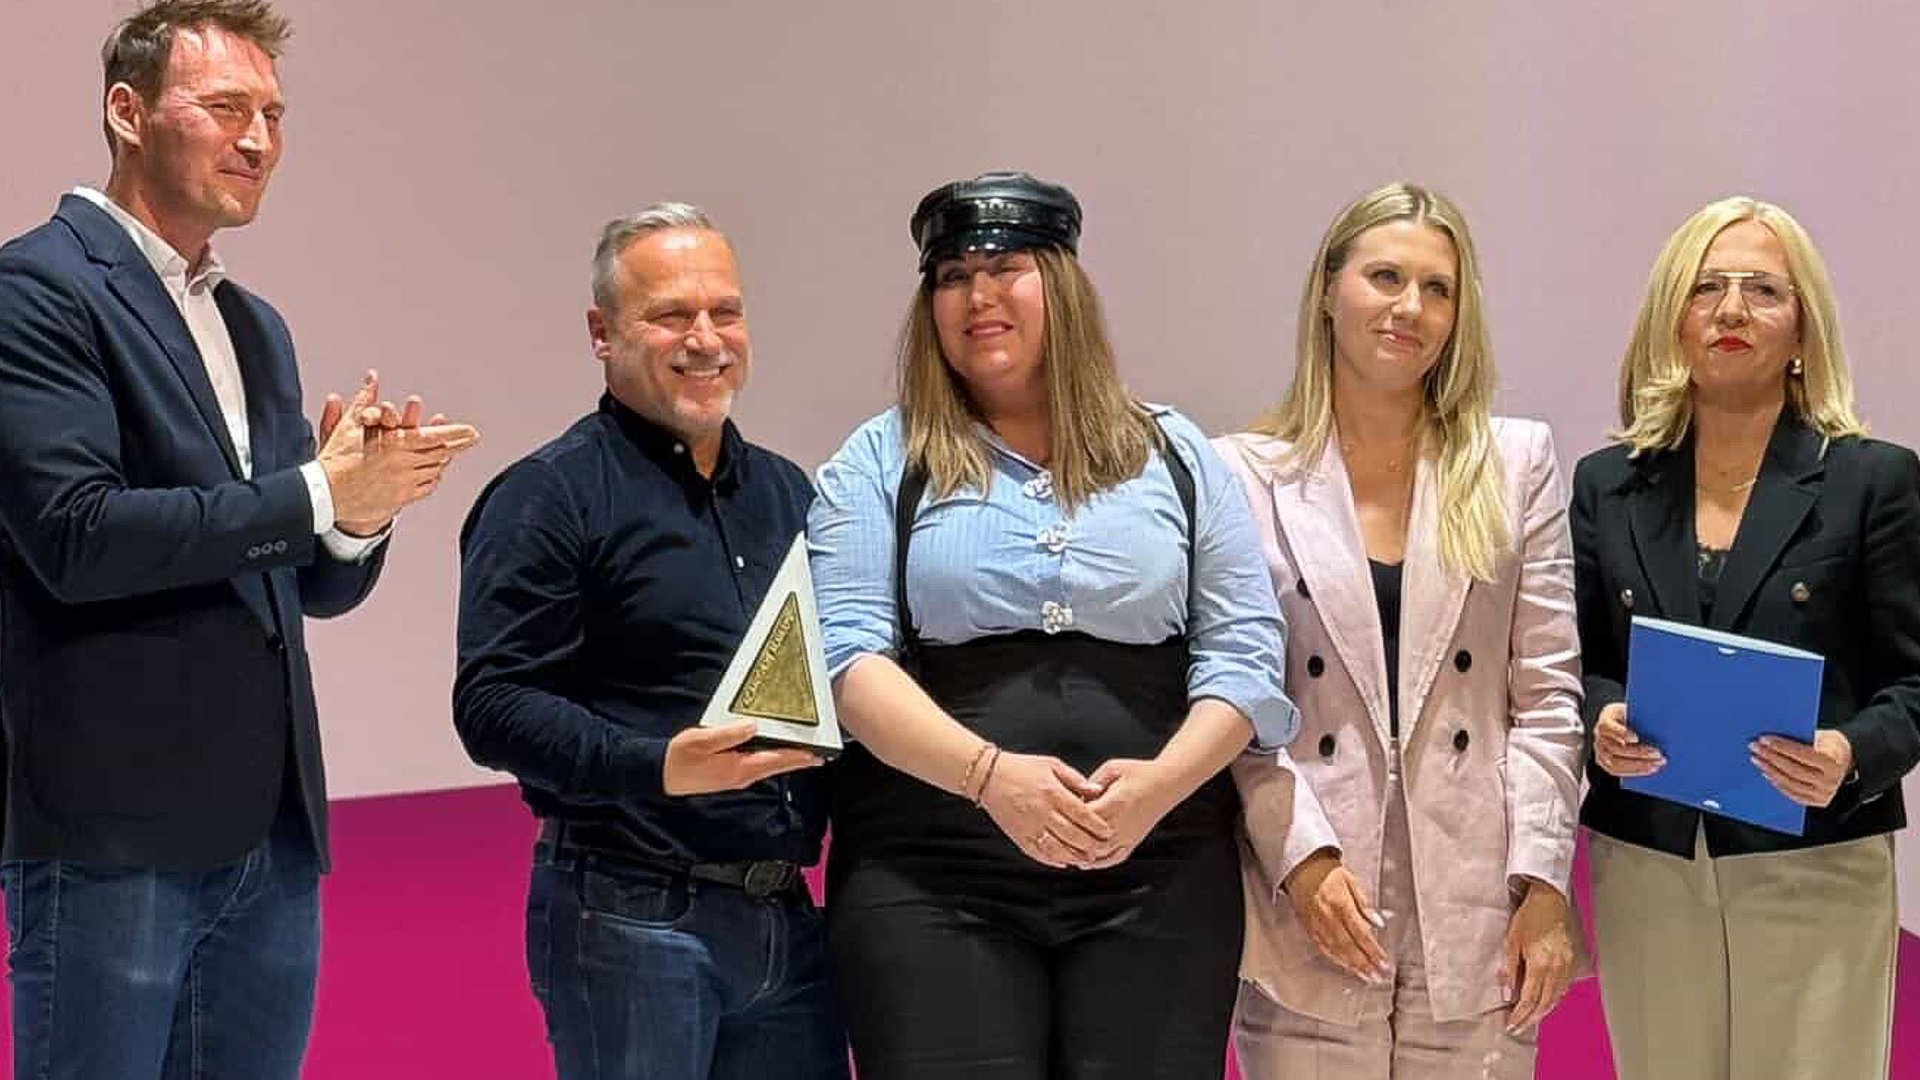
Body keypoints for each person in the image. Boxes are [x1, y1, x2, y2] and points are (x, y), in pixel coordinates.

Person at [0, 2, 477, 1076]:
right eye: (224, 107)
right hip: (114, 835)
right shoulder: (34, 289)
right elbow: (76, 537)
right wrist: (314, 492)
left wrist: (358, 516)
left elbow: (293, 586)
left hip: (272, 832)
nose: (258, 139)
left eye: (272, 112)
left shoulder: (255, 325)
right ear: (127, 112)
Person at [807, 171, 1296, 1079]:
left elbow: (1244, 658)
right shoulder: (879, 459)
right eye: (952, 274)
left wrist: (1156, 790)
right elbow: (848, 661)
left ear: (1063, 288)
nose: (979, 294)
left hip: (1159, 872)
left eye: (1006, 266)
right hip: (931, 878)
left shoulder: (1177, 453)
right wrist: (992, 779)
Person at [454, 203, 846, 1080]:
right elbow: (491, 706)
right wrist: (659, 763)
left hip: (785, 913)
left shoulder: (789, 493)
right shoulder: (547, 496)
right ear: (602, 332)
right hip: (628, 917)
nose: (706, 339)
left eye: (726, 312)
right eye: (672, 315)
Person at [1217, 182, 1585, 1079]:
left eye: (1438, 288)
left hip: (1478, 889)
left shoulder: (1513, 462)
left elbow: (1547, 692)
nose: (1409, 308)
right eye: (1386, 277)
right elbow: (1235, 700)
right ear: (1330, 290)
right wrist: (1300, 857)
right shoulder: (1241, 473)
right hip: (1311, 891)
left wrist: (1543, 883)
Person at [1574, 196, 1920, 1080]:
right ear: (1672, 320)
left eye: (1763, 289)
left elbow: (1914, 683)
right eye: (1707, 288)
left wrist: (1850, 751)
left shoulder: (1873, 479)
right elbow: (1574, 665)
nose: (1731, 310)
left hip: (1816, 857)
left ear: (1802, 327)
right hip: (1648, 858)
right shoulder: (1607, 483)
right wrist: (1603, 719)